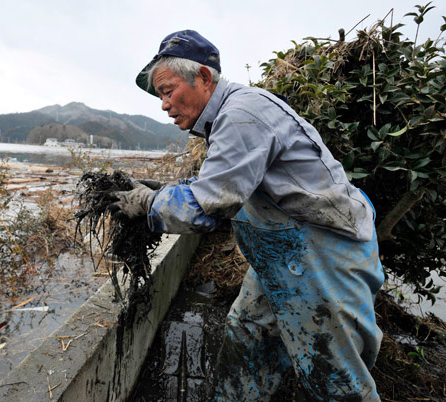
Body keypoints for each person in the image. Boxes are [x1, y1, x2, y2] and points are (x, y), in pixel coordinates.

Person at [110, 30, 384, 401]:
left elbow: (208, 206)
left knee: (334, 376)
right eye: (161, 94)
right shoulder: (230, 116)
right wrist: (163, 191)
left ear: (204, 78)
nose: (164, 104)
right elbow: (226, 183)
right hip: (282, 255)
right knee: (248, 335)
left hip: (320, 256)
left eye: (168, 90)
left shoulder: (242, 115)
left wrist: (148, 203)